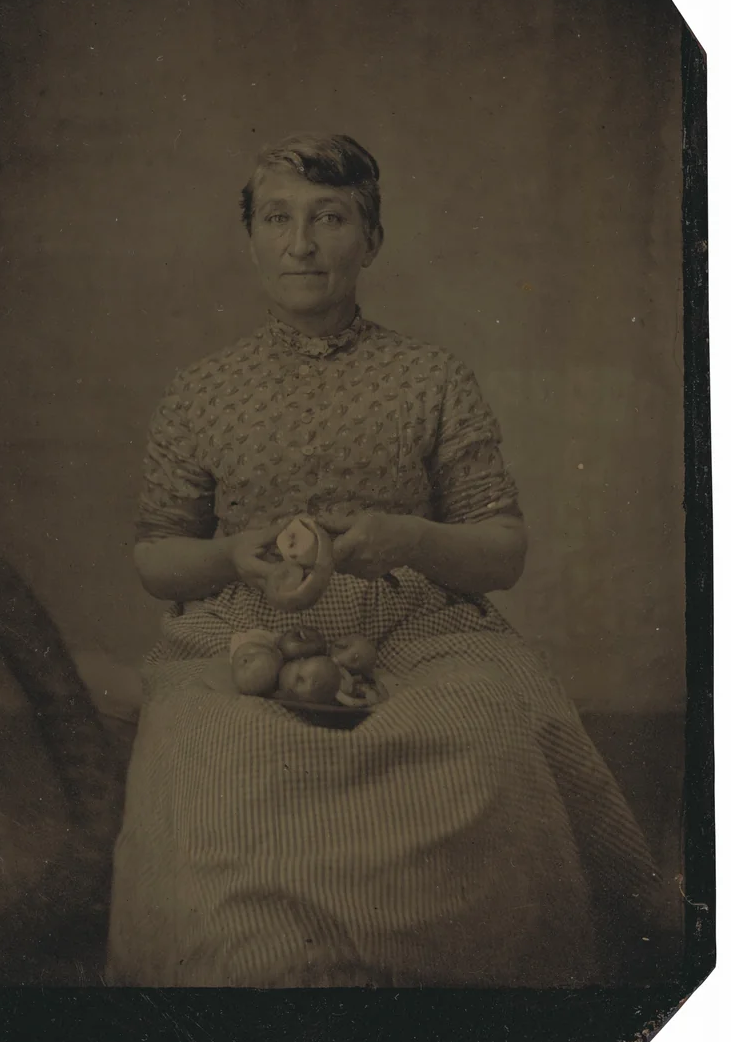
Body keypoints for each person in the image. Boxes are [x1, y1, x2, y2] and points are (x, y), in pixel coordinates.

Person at [104, 133, 664, 988]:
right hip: (245, 636)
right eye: (279, 219)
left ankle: (462, 1000)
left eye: (329, 218)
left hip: (414, 628)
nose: (301, 244)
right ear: (251, 234)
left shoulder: (432, 378)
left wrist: (411, 540)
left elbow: (501, 549)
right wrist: (229, 556)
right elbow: (155, 558)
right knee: (210, 759)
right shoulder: (202, 390)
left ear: (370, 239)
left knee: (483, 734)